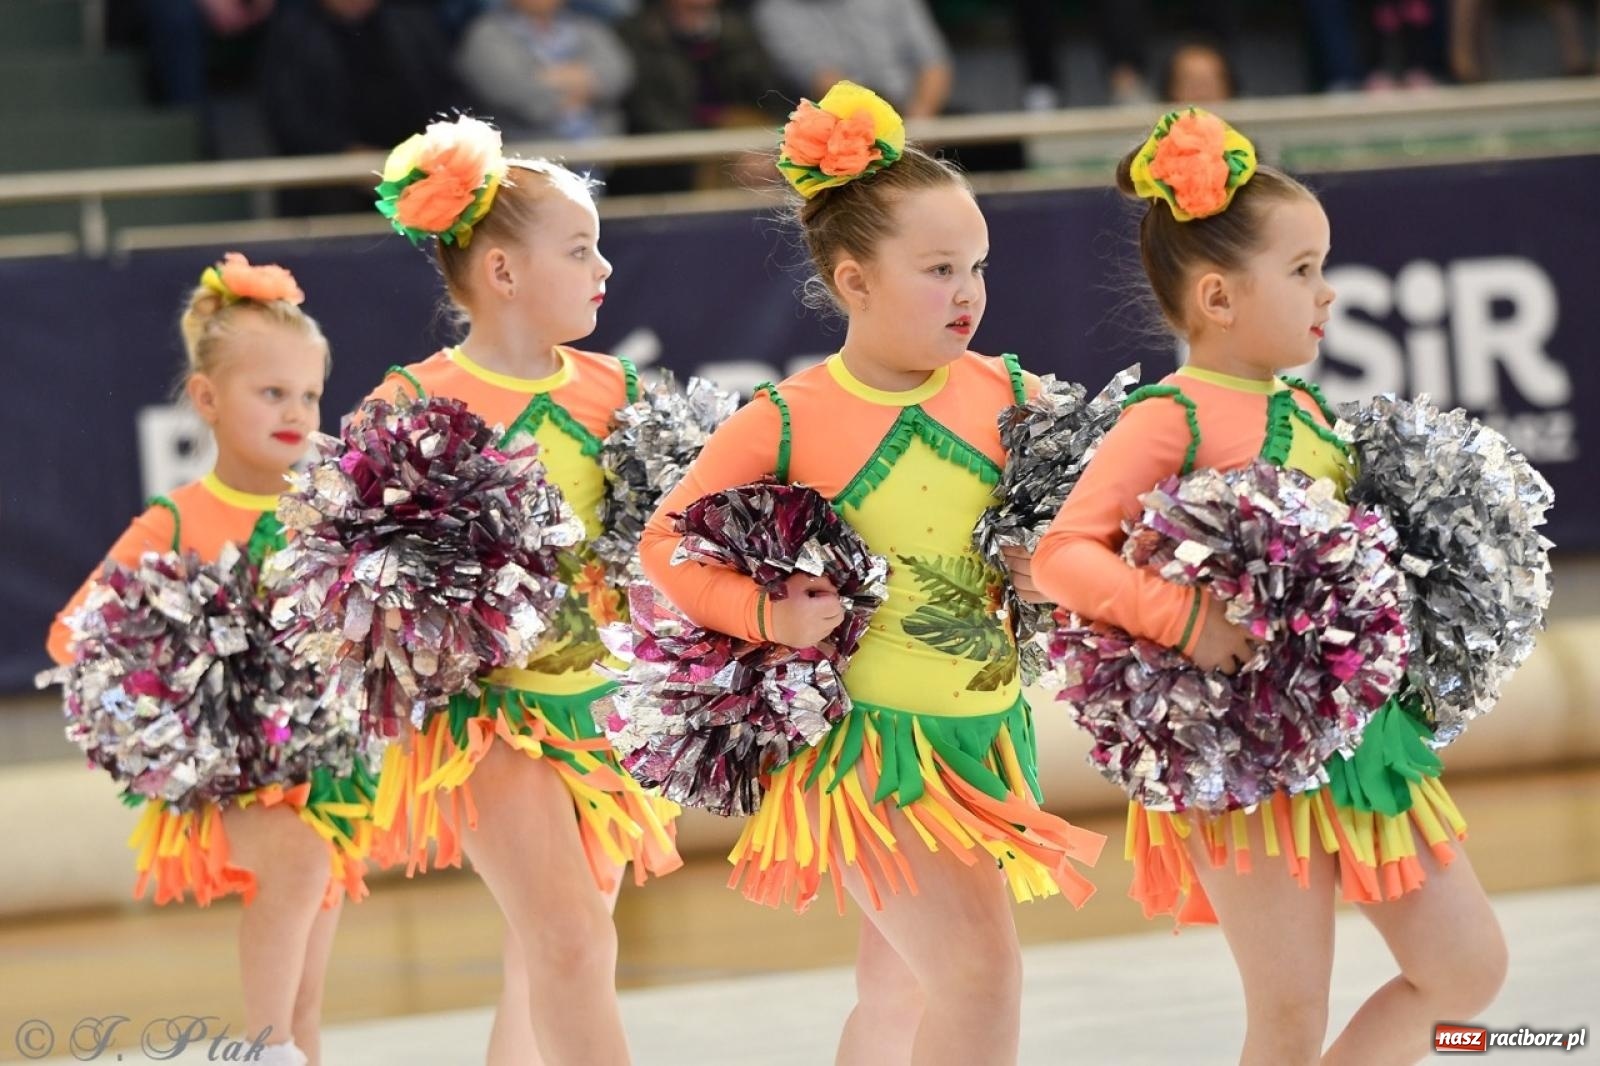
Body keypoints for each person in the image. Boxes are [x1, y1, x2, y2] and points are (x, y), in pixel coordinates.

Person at [638, 82, 1105, 1066]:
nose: (968, 293)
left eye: (977, 265)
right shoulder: (792, 417)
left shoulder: (1011, 392)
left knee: (898, 1000)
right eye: (938, 269)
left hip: (983, 740)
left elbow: (1080, 538)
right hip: (870, 757)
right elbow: (662, 545)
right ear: (853, 281)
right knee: (980, 978)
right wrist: (764, 612)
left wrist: (1045, 564)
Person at [1033, 108, 1507, 1065]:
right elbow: (1063, 555)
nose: (1327, 293)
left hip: (1367, 748)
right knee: (1289, 1015)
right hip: (1244, 761)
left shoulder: (1309, 408)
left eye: (1322, 267)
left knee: (1468, 975)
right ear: (1217, 296)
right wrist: (1186, 618)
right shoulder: (1170, 415)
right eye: (1303, 272)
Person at [365, 115, 680, 1066]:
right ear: (502, 272)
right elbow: (352, 579)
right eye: (580, 249)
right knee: (571, 942)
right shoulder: (410, 404)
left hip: (601, 708)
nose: (604, 269)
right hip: (484, 719)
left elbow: (663, 547)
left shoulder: (617, 390)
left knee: (550, 958)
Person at [46, 253, 372, 1066]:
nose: (296, 411)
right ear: (207, 400)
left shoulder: (328, 510)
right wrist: (173, 702)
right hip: (225, 782)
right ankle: (257, 1052)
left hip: (324, 774)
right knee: (294, 865)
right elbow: (75, 636)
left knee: (310, 984)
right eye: (271, 393)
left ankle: (287, 1047)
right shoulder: (179, 521)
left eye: (308, 394)